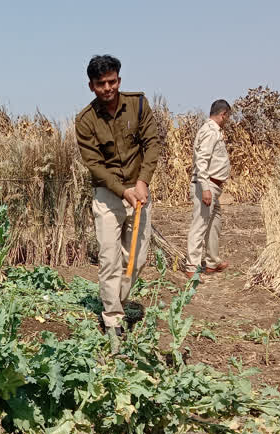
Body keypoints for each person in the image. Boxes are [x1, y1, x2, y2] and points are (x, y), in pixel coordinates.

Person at [75, 55, 163, 339]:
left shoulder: (138, 104)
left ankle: (118, 303)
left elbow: (152, 143)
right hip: (107, 194)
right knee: (109, 258)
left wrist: (142, 181)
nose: (107, 88)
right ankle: (113, 319)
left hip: (139, 189)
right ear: (91, 86)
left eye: (112, 82)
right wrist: (122, 190)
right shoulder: (85, 120)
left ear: (119, 81)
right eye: (101, 84)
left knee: (136, 260)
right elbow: (95, 165)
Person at [185, 100, 232, 280]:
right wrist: (205, 189)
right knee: (200, 224)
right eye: (228, 116)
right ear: (223, 114)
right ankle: (192, 267)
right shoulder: (210, 132)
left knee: (215, 222)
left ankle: (212, 262)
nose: (227, 120)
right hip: (207, 185)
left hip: (214, 187)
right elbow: (201, 161)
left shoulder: (215, 132)